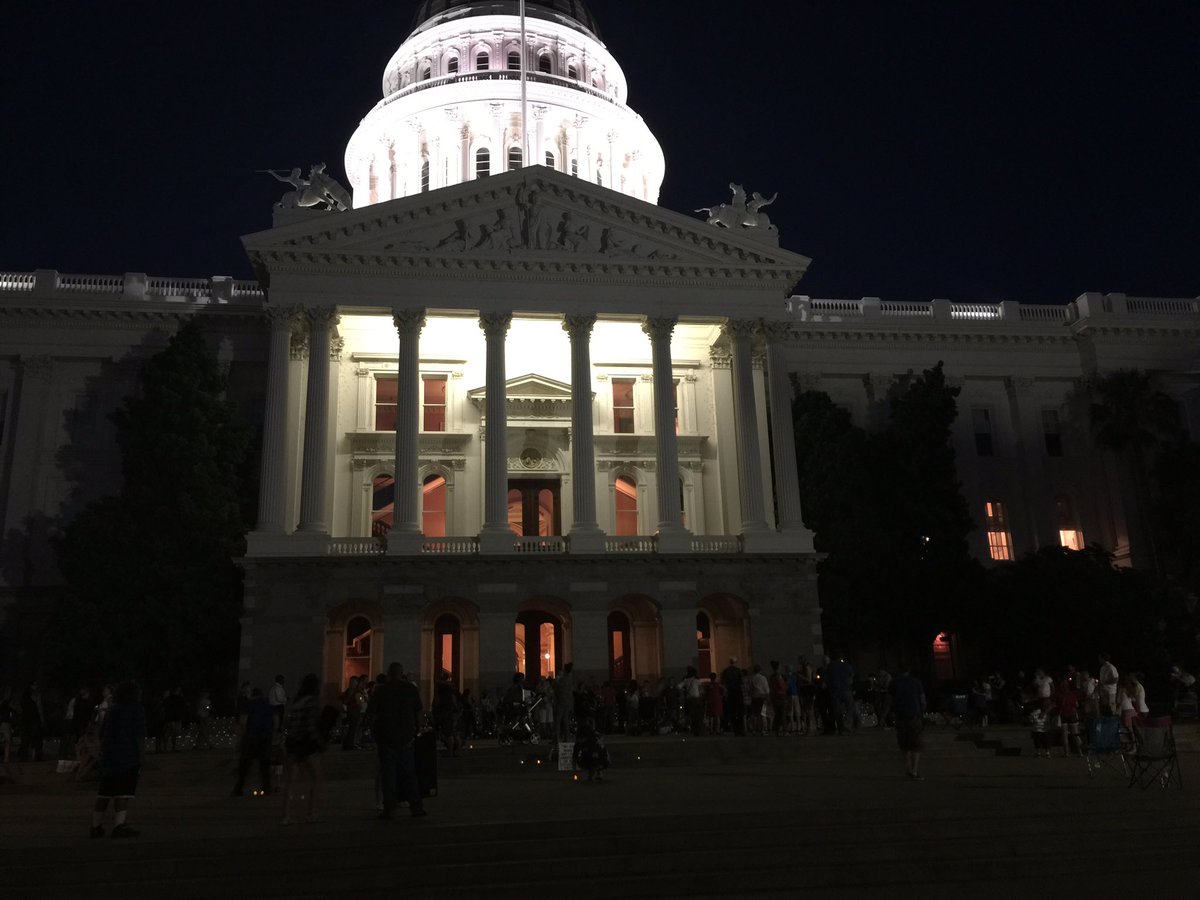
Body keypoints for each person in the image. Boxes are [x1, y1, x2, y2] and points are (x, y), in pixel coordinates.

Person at [367, 662, 426, 819]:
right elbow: (419, 711)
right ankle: (416, 807)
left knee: (388, 775)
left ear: (388, 674)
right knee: (409, 774)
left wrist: (374, 734)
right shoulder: (410, 689)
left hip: (386, 738)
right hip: (406, 737)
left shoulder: (381, 691)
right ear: (401, 673)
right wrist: (418, 730)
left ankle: (390, 808)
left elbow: (372, 715)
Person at [90, 681, 146, 837]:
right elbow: (139, 734)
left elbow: (102, 732)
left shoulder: (112, 710)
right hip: (127, 754)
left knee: (104, 792)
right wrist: (142, 756)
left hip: (109, 755)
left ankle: (95, 825)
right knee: (123, 792)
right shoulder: (136, 709)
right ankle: (119, 825)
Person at [280, 673, 324, 826]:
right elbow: (311, 725)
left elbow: (288, 722)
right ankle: (311, 813)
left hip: (292, 742)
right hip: (306, 743)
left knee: (290, 781)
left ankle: (286, 815)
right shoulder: (312, 702)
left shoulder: (296, 701)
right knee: (316, 777)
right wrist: (319, 742)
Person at [232, 687, 275, 797]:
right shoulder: (268, 706)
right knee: (264, 765)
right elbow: (276, 722)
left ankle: (239, 788)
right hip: (265, 738)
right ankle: (267, 787)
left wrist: (240, 739)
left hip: (250, 737)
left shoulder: (248, 705)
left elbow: (243, 722)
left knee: (245, 765)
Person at [889, 664, 927, 780]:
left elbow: (889, 699)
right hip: (914, 715)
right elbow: (922, 700)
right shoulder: (916, 682)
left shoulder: (894, 683)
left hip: (900, 715)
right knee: (916, 744)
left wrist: (889, 713)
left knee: (904, 744)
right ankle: (914, 770)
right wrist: (922, 711)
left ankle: (908, 769)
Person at [572, 717, 610, 782]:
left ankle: (598, 772)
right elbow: (574, 757)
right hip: (590, 755)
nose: (580, 740)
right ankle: (592, 773)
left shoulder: (593, 742)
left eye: (582, 738)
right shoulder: (578, 743)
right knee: (586, 758)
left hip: (600, 757)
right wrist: (574, 771)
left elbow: (602, 754)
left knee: (593, 759)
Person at [825, 656, 856, 734]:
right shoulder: (846, 666)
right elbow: (851, 677)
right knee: (850, 707)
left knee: (837, 710)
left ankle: (841, 728)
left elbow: (827, 678)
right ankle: (847, 724)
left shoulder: (830, 667)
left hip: (835, 690)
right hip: (846, 689)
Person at [720, 658, 744, 736]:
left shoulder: (726, 671)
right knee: (739, 712)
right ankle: (741, 729)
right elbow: (741, 681)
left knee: (732, 712)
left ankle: (735, 729)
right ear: (735, 662)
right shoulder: (738, 670)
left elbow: (722, 681)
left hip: (730, 692)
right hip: (738, 692)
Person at [552, 663, 575, 743]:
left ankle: (557, 738)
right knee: (565, 720)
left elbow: (555, 688)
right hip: (567, 701)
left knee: (558, 720)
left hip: (561, 701)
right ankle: (566, 737)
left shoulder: (561, 679)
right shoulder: (570, 679)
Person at [679, 667, 704, 736]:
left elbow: (678, 686)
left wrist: (685, 691)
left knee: (691, 715)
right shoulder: (697, 681)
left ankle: (692, 729)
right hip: (697, 699)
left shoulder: (686, 680)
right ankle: (698, 729)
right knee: (697, 715)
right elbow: (701, 690)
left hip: (689, 699)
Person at [768, 661, 789, 736]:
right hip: (781, 696)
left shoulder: (771, 677)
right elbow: (782, 686)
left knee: (777, 715)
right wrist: (786, 686)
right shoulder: (779, 676)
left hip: (774, 697)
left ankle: (776, 730)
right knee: (783, 714)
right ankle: (784, 730)